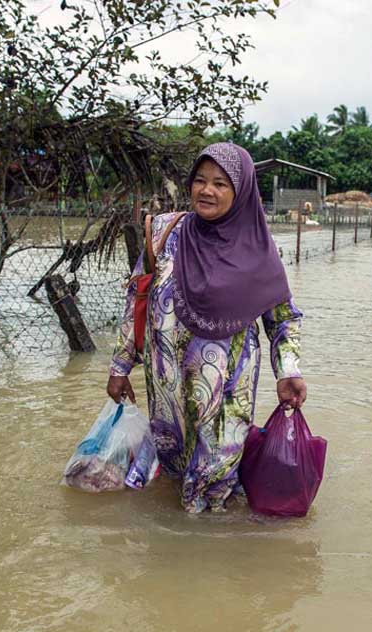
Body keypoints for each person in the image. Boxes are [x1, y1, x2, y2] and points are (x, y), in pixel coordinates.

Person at [107, 142, 307, 513]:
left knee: (215, 482)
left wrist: (288, 371)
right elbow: (136, 299)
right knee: (174, 475)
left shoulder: (260, 251)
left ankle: (212, 561)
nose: (207, 190)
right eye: (200, 180)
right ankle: (176, 561)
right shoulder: (165, 233)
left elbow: (282, 320)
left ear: (241, 190)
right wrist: (120, 366)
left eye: (220, 183)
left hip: (229, 391)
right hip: (168, 387)